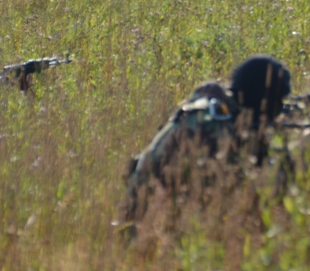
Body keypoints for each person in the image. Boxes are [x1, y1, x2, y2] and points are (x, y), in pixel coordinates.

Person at [122, 54, 292, 232]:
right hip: (148, 229)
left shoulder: (216, 112)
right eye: (277, 104)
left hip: (153, 219)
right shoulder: (213, 127)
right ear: (262, 102)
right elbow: (246, 193)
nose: (278, 114)